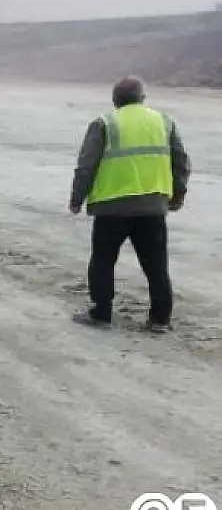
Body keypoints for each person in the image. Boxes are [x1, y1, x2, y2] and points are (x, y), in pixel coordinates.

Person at [69, 76, 191, 333]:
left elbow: (86, 165)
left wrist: (77, 198)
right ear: (142, 98)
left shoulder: (104, 123)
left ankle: (101, 313)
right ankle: (160, 319)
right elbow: (180, 161)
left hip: (111, 206)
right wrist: (178, 194)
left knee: (103, 260)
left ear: (115, 101)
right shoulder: (163, 121)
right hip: (152, 206)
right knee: (156, 264)